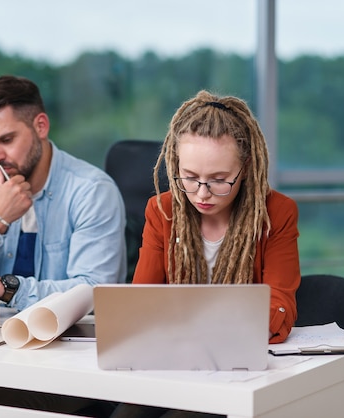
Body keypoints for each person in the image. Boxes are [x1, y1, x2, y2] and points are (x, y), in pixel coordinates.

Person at [110, 90, 300, 418]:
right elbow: (140, 303)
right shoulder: (162, 210)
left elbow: (279, 307)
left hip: (237, 372)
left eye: (219, 180)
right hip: (169, 364)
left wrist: (189, 324)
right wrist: (221, 322)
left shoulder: (276, 213)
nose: (202, 194)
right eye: (190, 178)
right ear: (175, 164)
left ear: (247, 167)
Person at [0, 74, 127, 313]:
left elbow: (93, 291)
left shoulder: (92, 191)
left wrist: (4, 288)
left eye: (6, 139)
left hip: (69, 342)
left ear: (41, 126)